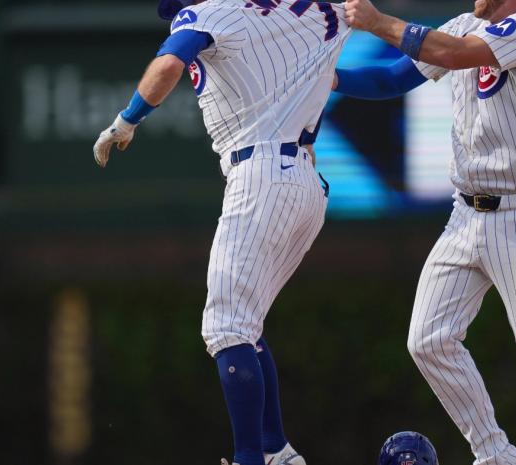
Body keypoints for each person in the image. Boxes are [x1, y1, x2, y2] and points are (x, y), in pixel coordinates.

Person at [336, 1, 516, 464]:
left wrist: (377, 21)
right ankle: (496, 454)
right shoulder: (464, 25)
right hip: (466, 214)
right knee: (428, 340)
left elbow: (458, 54)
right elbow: (393, 78)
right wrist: (330, 81)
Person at [92, 1, 352, 464]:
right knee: (245, 327)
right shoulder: (305, 11)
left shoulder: (206, 12)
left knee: (225, 326)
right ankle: (276, 452)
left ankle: (252, 456)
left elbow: (169, 62)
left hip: (262, 172)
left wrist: (127, 119)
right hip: (307, 183)